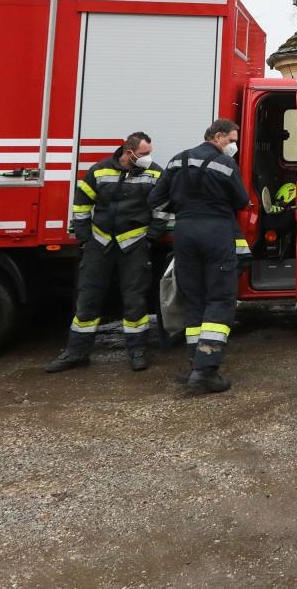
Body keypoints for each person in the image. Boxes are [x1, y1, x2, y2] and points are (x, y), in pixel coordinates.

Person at [45, 132, 163, 374]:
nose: (148, 158)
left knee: (135, 300)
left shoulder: (155, 173)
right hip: (99, 244)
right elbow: (81, 205)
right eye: (143, 154)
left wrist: (151, 237)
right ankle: (76, 352)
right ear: (128, 152)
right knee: (88, 298)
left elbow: (162, 207)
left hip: (134, 244)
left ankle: (137, 351)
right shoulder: (99, 171)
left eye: (149, 153)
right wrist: (85, 237)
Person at [149, 119, 250, 394]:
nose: (233, 146)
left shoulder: (175, 161)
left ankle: (195, 364)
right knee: (220, 299)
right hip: (216, 232)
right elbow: (242, 201)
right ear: (218, 137)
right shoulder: (225, 165)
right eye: (231, 140)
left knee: (193, 299)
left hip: (184, 232)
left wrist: (183, 206)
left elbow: (154, 199)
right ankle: (206, 371)